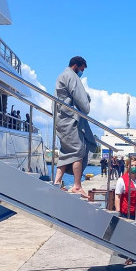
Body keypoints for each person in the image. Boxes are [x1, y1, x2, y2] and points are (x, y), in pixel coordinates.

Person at [53, 56, 97, 196]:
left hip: (62, 119)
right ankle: (77, 185)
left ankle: (57, 182)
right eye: (82, 69)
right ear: (76, 66)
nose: (82, 72)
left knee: (67, 151)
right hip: (69, 120)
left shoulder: (62, 75)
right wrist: (87, 101)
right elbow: (82, 102)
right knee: (79, 150)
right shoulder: (71, 76)